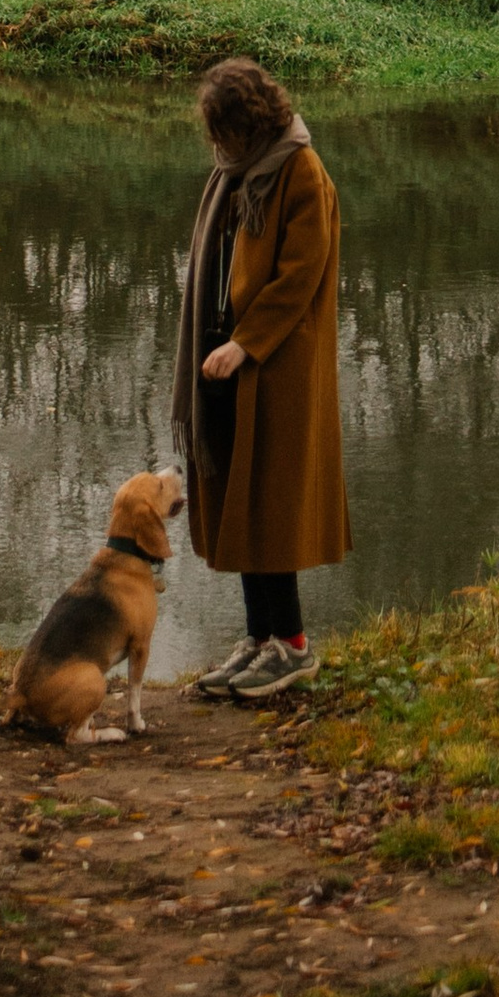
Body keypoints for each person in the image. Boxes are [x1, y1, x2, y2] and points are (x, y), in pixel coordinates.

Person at [173, 54, 350, 699]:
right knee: (240, 507)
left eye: (224, 131)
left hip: (277, 366)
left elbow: (300, 276)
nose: (216, 145)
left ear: (250, 123)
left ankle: (294, 647)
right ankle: (258, 637)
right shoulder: (237, 170)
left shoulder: (302, 172)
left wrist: (246, 345)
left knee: (272, 508)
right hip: (229, 355)